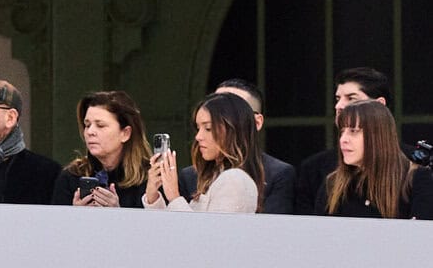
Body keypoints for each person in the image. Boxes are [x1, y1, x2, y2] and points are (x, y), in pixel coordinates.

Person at [294, 68, 391, 214]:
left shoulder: (412, 170)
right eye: (338, 99)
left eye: (351, 98)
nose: (339, 106)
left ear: (379, 105)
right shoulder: (315, 169)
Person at [146, 93, 261, 213]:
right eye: (198, 128)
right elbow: (168, 229)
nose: (198, 136)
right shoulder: (215, 177)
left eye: (208, 128)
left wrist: (174, 196)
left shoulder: (235, 180)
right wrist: (153, 196)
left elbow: (205, 231)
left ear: (233, 130)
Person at [322, 100, 433, 219]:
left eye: (353, 131)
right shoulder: (333, 183)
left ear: (378, 136)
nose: (343, 140)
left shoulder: (416, 179)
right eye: (342, 132)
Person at [52, 91, 151, 208]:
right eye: (87, 125)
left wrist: (118, 215)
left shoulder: (148, 178)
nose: (90, 132)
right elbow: (56, 224)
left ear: (125, 133)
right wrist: (75, 215)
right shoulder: (71, 176)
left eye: (100, 125)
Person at [211, 79, 296, 214]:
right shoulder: (190, 175)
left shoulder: (278, 174)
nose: (218, 121)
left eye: (232, 112)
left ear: (257, 122)